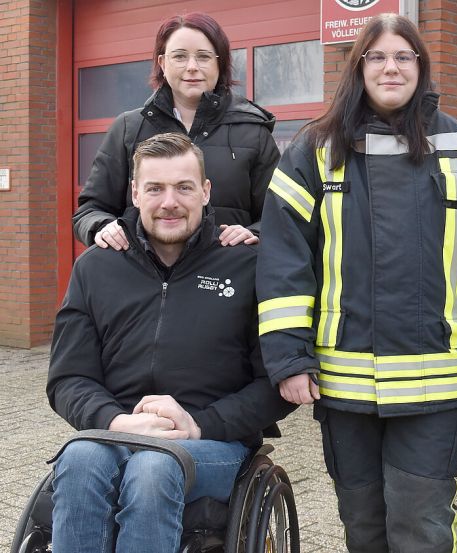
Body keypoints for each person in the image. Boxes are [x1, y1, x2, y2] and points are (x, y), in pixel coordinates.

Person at [256, 14, 457, 552]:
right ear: (358, 68)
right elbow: (285, 259)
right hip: (346, 383)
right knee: (362, 526)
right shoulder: (313, 149)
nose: (391, 67)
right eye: (376, 56)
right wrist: (288, 357)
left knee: (420, 525)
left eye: (404, 56)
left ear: (421, 68)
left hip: (439, 385)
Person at [47, 133, 293, 552]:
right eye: (155, 188)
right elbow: (68, 379)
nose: (169, 202)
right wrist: (116, 421)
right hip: (117, 434)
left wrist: (200, 425)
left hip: (213, 442)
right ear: (135, 193)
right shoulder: (95, 269)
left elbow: (278, 385)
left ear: (205, 191)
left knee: (154, 467)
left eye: (183, 187)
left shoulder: (247, 266)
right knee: (79, 458)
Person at [73, 12, 280, 251]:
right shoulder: (128, 129)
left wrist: (254, 233)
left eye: (203, 57)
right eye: (180, 56)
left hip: (227, 279)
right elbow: (89, 211)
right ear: (162, 63)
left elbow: (280, 217)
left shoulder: (254, 133)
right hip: (143, 280)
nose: (192, 67)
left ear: (219, 62)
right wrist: (103, 226)